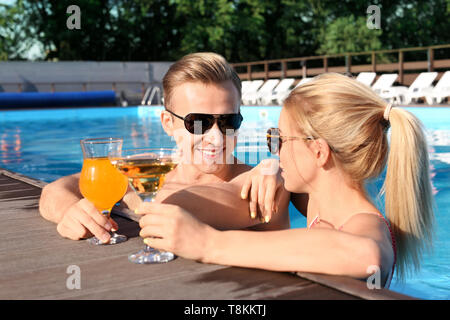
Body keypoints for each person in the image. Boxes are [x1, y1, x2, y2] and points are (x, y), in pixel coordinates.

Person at [135, 73, 435, 288]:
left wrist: (208, 243)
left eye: (278, 139)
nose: (274, 150)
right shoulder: (318, 201)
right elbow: (177, 202)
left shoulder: (366, 225)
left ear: (317, 152)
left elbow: (367, 255)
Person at [39, 52, 292, 243]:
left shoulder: (260, 183)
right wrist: (71, 211)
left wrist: (121, 198)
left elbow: (172, 205)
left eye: (228, 121)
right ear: (168, 123)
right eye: (199, 122)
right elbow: (54, 191)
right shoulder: (152, 168)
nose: (216, 137)